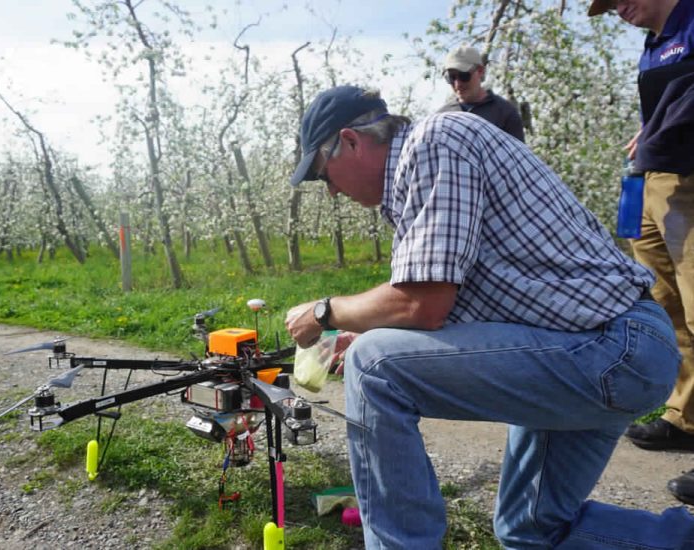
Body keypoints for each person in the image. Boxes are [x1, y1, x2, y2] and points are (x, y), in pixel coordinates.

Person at [284, 84, 694, 549]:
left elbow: (423, 304)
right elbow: (455, 303)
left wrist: (326, 311)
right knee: (530, 531)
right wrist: (368, 332)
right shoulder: (422, 178)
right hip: (595, 344)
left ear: (351, 141)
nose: (332, 192)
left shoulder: (435, 140)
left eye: (323, 175)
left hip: (611, 347)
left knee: (375, 368)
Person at [588, 0, 694, 505]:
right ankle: (685, 415)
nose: (616, 10)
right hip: (655, 180)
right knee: (665, 305)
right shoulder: (655, 42)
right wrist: (649, 132)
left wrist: (665, 129)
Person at [436, 44, 525, 142]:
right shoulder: (441, 116)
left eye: (464, 76)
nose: (457, 84)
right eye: (451, 77)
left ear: (480, 71)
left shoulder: (505, 112)